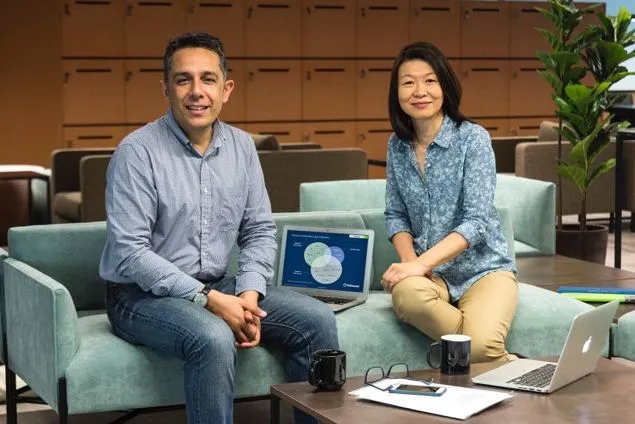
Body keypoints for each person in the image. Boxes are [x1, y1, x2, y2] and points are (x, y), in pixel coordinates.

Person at [99, 32, 338, 424]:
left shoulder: (242, 147)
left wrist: (249, 294)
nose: (197, 91)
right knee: (212, 337)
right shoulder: (137, 153)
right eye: (183, 80)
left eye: (208, 79)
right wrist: (208, 300)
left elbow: (259, 229)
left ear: (226, 89)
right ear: (166, 89)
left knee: (317, 321)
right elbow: (130, 253)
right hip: (139, 296)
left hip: (218, 284)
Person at [381, 42, 518, 363]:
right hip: (434, 278)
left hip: (483, 271)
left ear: (445, 86)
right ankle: (498, 361)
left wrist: (421, 264)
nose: (420, 91)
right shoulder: (397, 145)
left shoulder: (473, 138)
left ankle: (497, 361)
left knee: (482, 347)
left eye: (430, 81)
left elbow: (477, 222)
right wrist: (410, 266)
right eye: (408, 82)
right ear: (397, 93)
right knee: (407, 296)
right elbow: (396, 215)